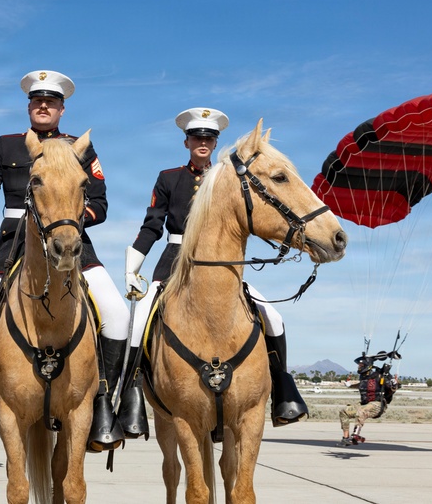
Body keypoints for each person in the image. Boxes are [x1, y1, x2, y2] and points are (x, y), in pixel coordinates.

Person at [0, 70, 129, 453]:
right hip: (12, 246)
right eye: (37, 101)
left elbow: (99, 204)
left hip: (69, 244)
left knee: (117, 313)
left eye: (51, 102)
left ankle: (103, 405)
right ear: (29, 106)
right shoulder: (8, 145)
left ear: (62, 109)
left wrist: (67, 224)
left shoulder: (80, 147)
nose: (43, 106)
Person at [123, 107, 309, 427]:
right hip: (174, 262)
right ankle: (130, 397)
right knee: (139, 320)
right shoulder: (169, 178)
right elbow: (152, 226)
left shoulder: (229, 179)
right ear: (187, 142)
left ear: (215, 142)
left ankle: (283, 390)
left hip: (222, 266)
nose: (203, 143)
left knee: (273, 317)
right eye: (196, 137)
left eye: (209, 138)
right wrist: (132, 267)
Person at [338, 353, 401, 446]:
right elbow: (362, 385)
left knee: (361, 411)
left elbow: (392, 388)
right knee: (344, 412)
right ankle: (345, 439)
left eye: (361, 365)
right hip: (364, 404)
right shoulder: (363, 377)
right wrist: (350, 385)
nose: (359, 367)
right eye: (359, 365)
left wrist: (394, 383)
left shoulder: (379, 376)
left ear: (367, 366)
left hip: (377, 405)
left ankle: (355, 435)